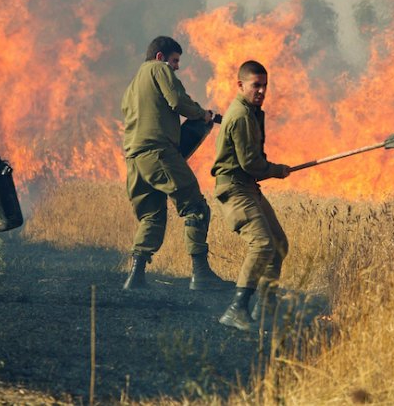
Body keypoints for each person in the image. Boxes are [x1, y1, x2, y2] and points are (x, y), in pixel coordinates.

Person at [121, 36, 224, 291]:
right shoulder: (159, 69)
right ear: (160, 57)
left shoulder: (132, 86)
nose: (176, 66)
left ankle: (135, 277)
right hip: (158, 153)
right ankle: (201, 274)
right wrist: (203, 114)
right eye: (175, 60)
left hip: (135, 160)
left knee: (152, 216)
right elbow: (178, 101)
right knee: (195, 206)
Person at [211, 60, 291, 331]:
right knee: (263, 244)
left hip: (247, 186)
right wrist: (278, 170)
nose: (261, 91)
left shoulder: (253, 112)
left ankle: (266, 306)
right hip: (234, 188)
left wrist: (271, 168)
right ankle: (236, 309)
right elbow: (251, 165)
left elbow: (254, 162)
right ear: (241, 85)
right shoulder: (241, 116)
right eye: (256, 86)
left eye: (265, 86)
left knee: (279, 243)